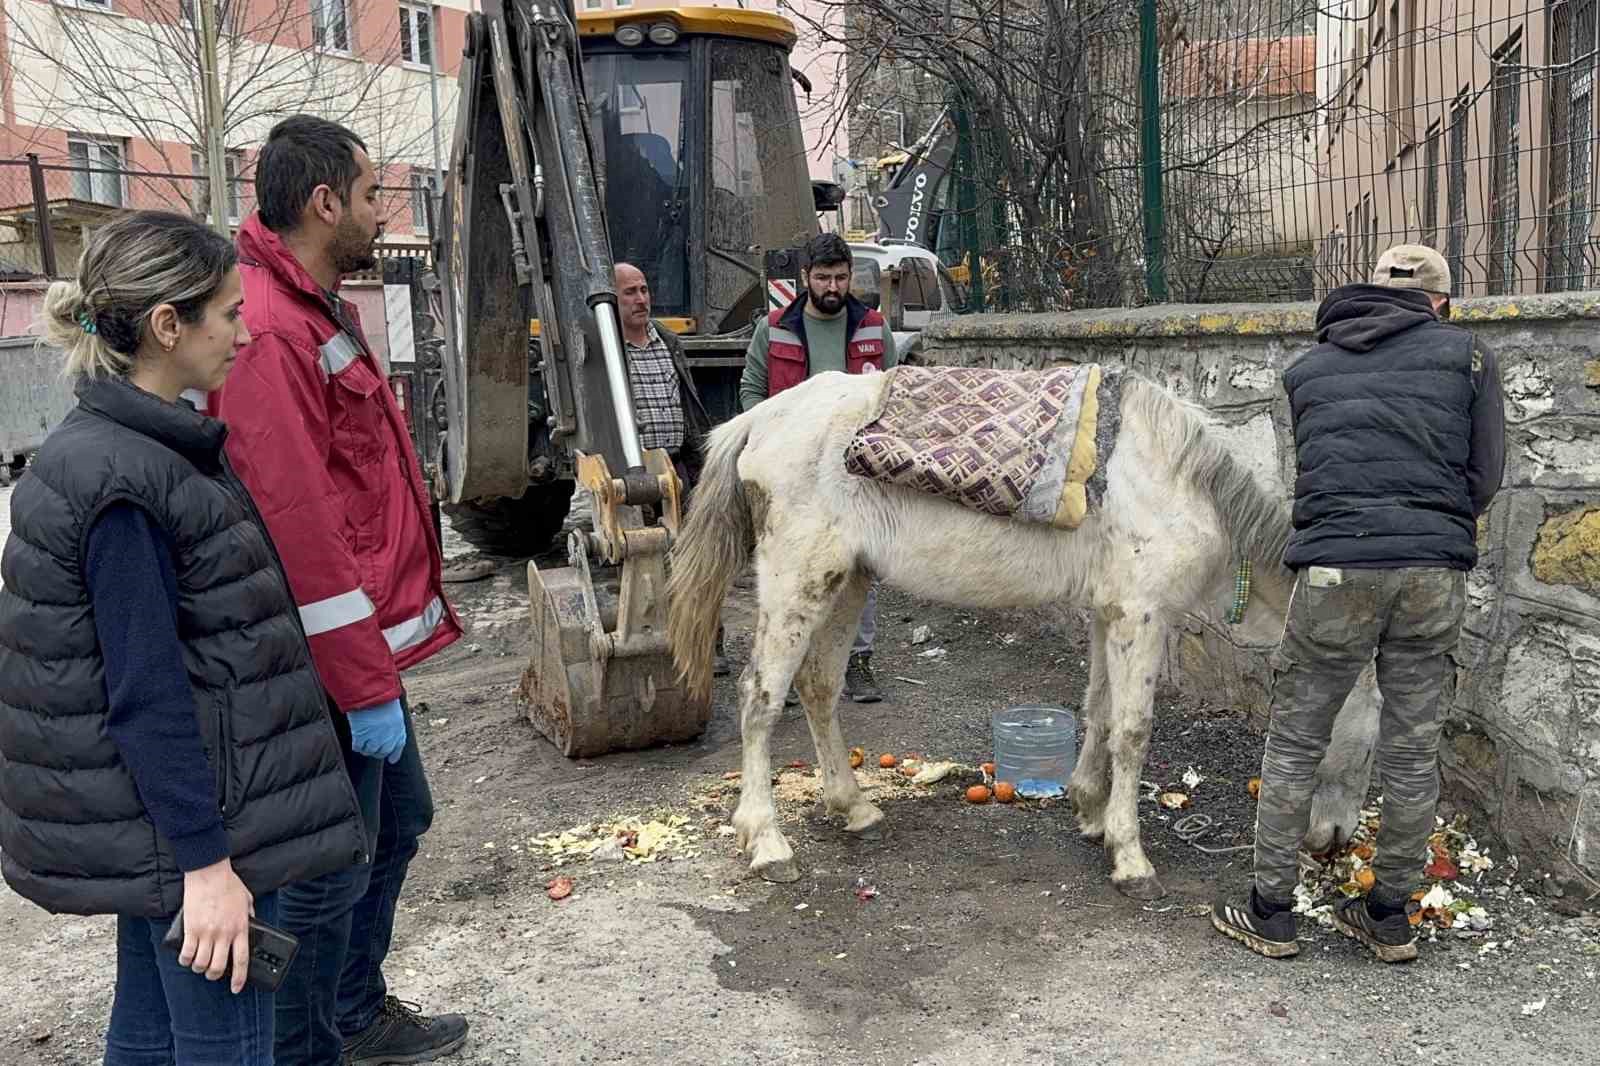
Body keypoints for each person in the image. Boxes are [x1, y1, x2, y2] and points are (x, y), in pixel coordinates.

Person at [0, 210, 367, 1065]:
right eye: (230, 314)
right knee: (221, 1048)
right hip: (200, 835)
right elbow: (143, 693)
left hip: (172, 827)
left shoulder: (144, 449)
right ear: (169, 326)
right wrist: (207, 867)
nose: (244, 333)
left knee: (148, 1041)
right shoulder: (124, 479)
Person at [209, 115, 468, 1065]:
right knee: (323, 870)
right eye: (369, 194)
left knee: (399, 823)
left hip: (358, 649)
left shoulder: (311, 303)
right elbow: (302, 530)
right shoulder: (272, 331)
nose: (377, 212)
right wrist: (361, 683)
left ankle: (352, 1011)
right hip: (321, 659)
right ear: (325, 203)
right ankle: (301, 1044)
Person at [1212, 245, 1506, 963]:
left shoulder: (1307, 368)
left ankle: (1271, 913)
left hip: (1335, 570)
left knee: (1295, 740)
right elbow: (1485, 474)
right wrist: (1432, 529)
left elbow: (1311, 472)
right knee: (1411, 749)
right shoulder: (1468, 358)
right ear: (1440, 302)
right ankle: (1386, 915)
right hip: (1431, 572)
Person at [739, 233, 897, 703]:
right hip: (795, 472)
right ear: (806, 277)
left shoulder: (873, 327)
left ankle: (858, 662)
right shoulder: (774, 329)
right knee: (791, 566)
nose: (833, 286)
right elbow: (751, 388)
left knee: (860, 565)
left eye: (841, 277)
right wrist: (767, 435)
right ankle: (785, 668)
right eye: (824, 277)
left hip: (854, 470)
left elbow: (893, 388)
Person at [614, 261, 728, 676]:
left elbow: (688, 401)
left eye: (644, 290)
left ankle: (710, 645)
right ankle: (664, 649)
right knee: (650, 564)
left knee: (701, 556)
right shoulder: (611, 352)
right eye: (630, 292)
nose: (641, 299)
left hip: (680, 467)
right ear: (613, 299)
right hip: (637, 475)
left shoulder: (666, 340)